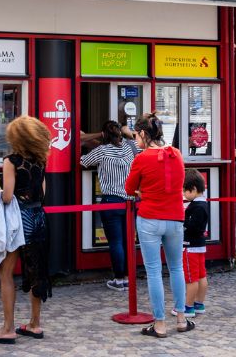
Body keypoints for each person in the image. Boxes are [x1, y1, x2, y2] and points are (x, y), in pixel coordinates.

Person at [0, 116, 52, 345]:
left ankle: (8, 328)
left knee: (6, 272)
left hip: (17, 221)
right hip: (38, 218)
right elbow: (43, 193)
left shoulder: (11, 161)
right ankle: (34, 324)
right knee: (36, 272)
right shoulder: (41, 161)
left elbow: (7, 196)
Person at [125, 113, 193, 338]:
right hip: (175, 218)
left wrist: (142, 191)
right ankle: (182, 318)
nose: (136, 140)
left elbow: (129, 188)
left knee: (154, 271)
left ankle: (160, 323)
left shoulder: (141, 158)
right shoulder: (176, 154)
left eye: (136, 135)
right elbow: (177, 183)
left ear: (144, 133)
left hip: (150, 218)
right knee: (176, 268)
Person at [80, 120, 135, 291]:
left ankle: (118, 279)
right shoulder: (129, 147)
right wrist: (128, 134)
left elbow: (82, 161)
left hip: (111, 202)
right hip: (129, 202)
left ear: (104, 134)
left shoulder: (102, 151)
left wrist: (97, 142)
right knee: (127, 241)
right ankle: (127, 277)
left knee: (116, 242)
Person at [175, 169, 209, 318]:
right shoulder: (203, 204)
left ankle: (187, 307)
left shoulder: (196, 207)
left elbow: (192, 226)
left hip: (190, 246)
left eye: (185, 191)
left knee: (190, 278)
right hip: (200, 246)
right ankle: (199, 303)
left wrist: (183, 218)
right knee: (201, 276)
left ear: (193, 189)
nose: (183, 194)